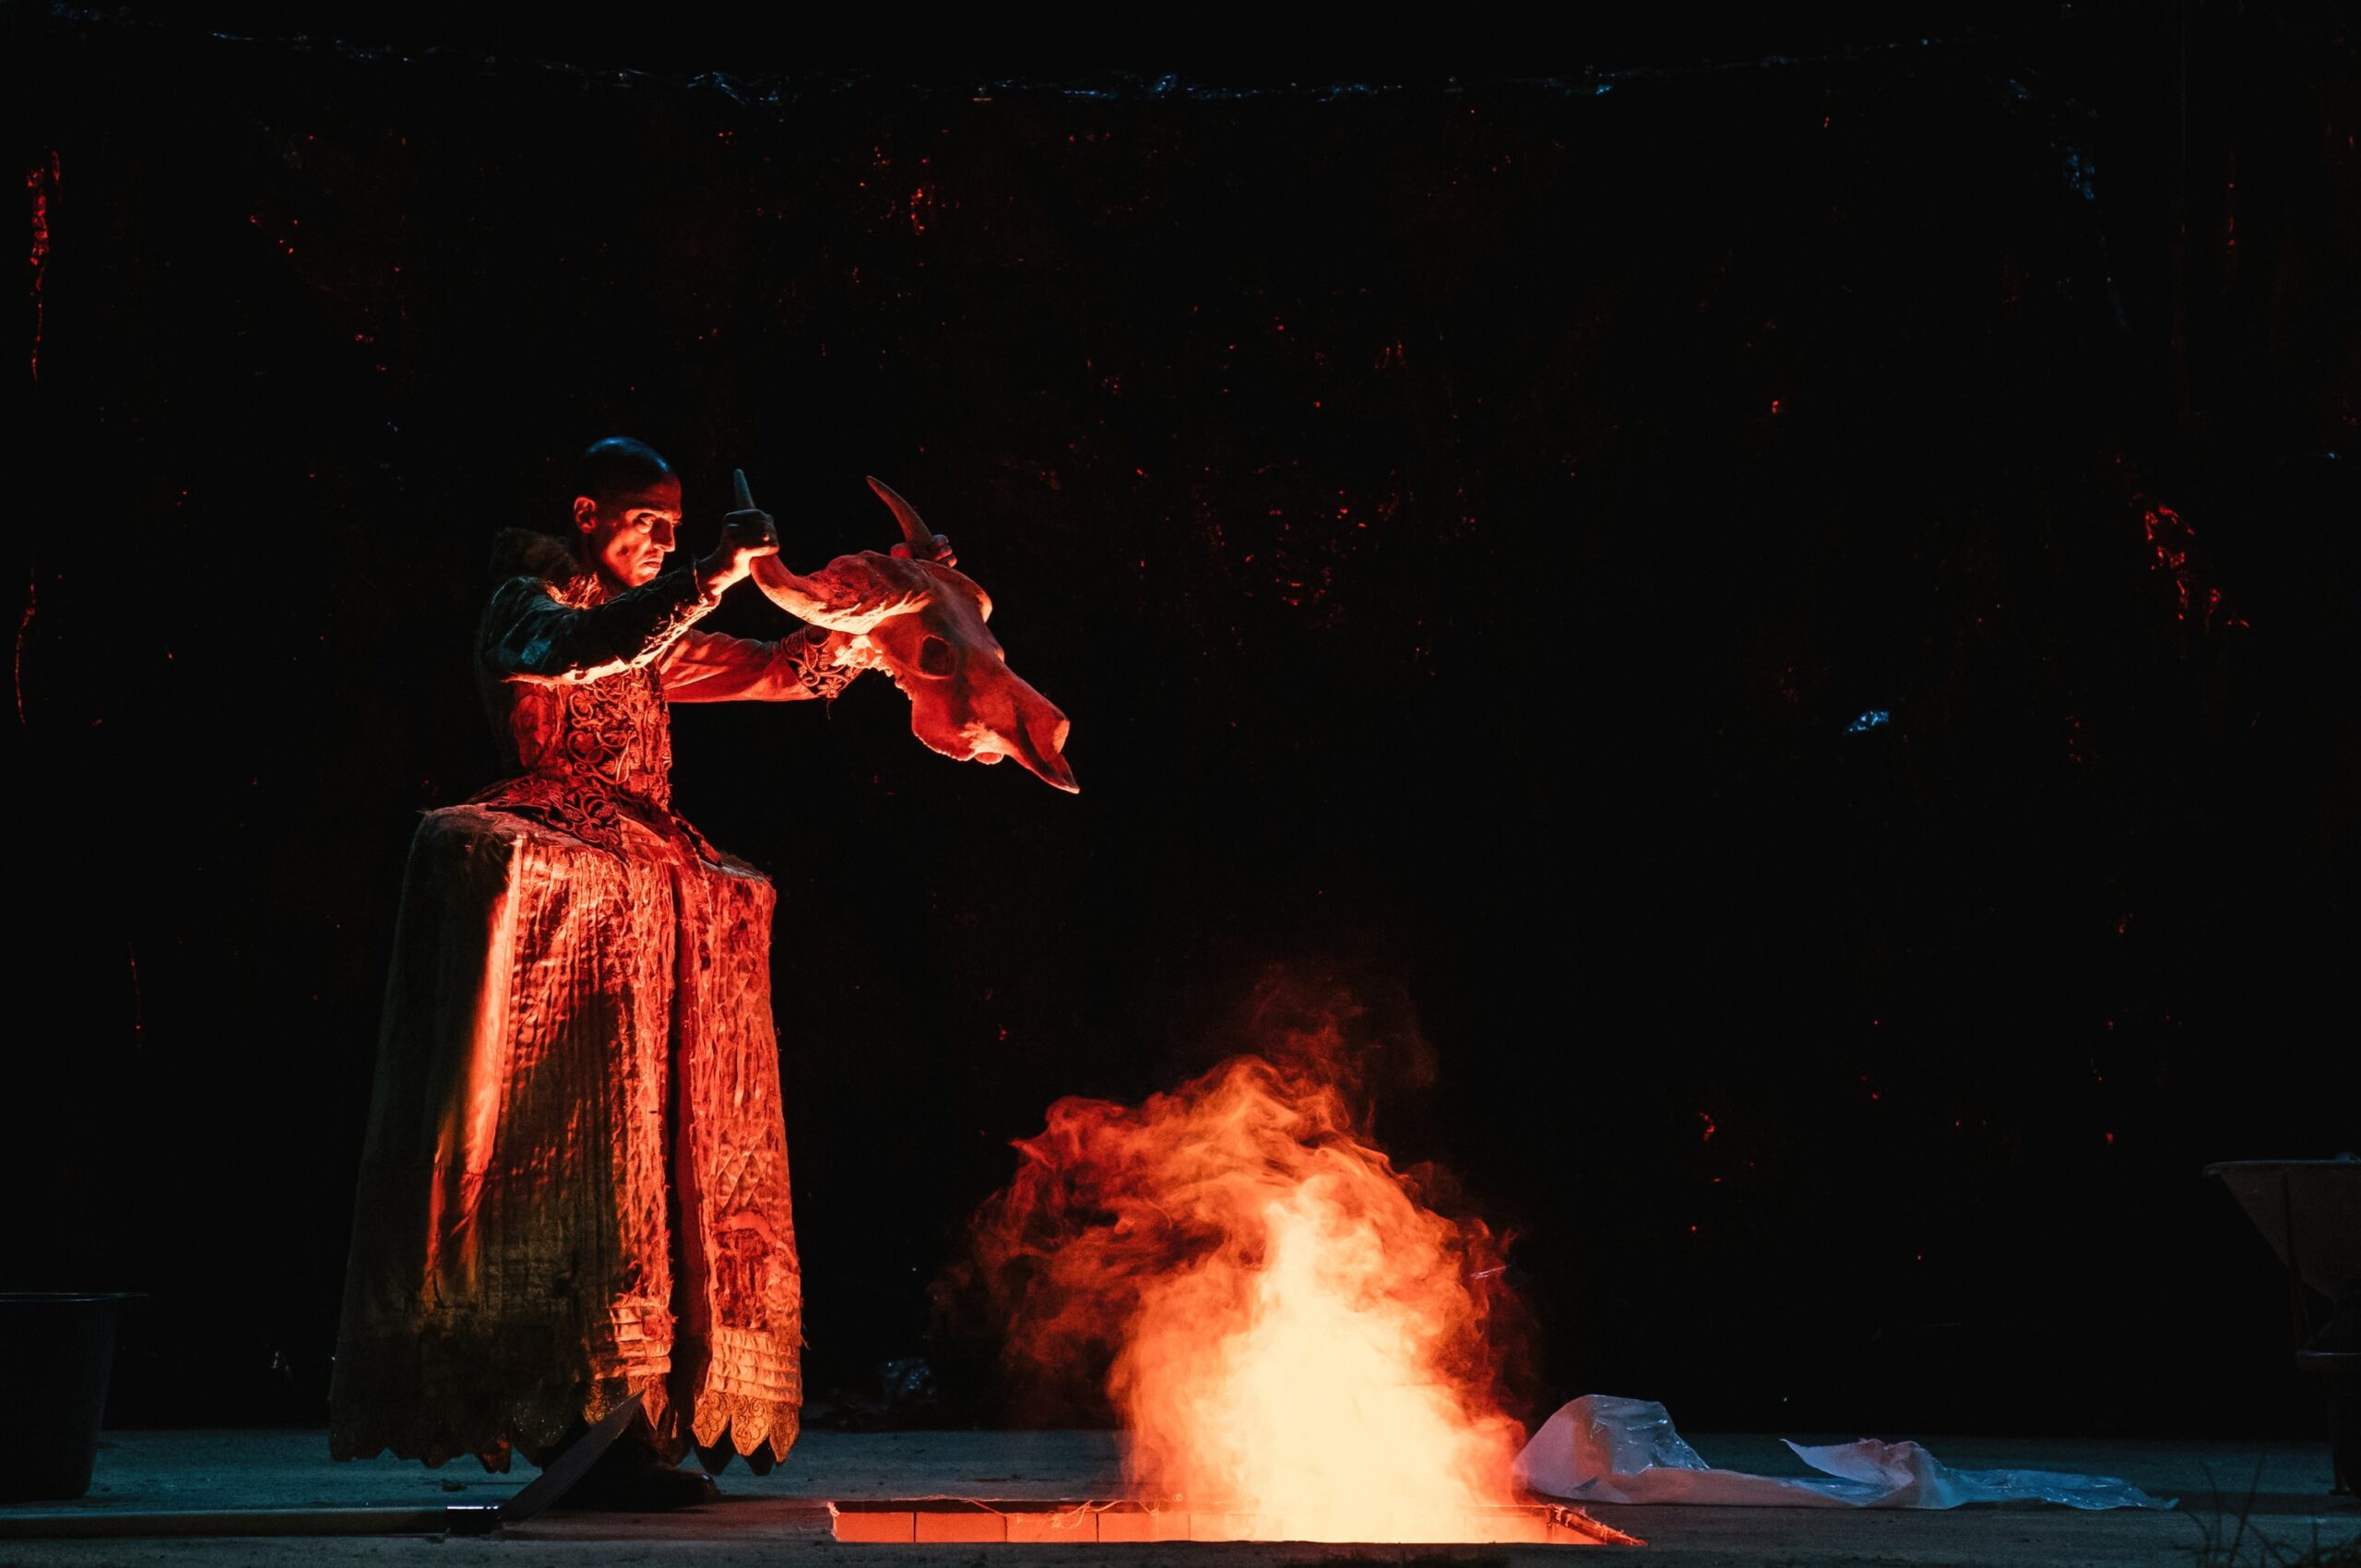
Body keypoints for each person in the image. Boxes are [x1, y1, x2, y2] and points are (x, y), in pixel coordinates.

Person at [329, 437, 949, 1505]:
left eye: (673, 527)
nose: (662, 539)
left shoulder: (647, 626)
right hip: (568, 890)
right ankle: (577, 1409)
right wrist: (705, 577)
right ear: (586, 512)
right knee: (576, 1149)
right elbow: (580, 651)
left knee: (662, 1152)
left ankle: (643, 1411)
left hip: (643, 888)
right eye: (646, 522)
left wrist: (891, 612)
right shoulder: (526, 605)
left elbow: (777, 668)